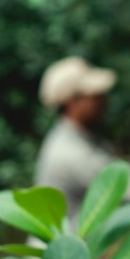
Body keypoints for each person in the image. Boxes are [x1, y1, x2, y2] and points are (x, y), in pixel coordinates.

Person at [35, 56, 117, 217]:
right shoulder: (71, 152)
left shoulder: (79, 136)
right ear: (72, 102)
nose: (104, 100)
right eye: (95, 95)